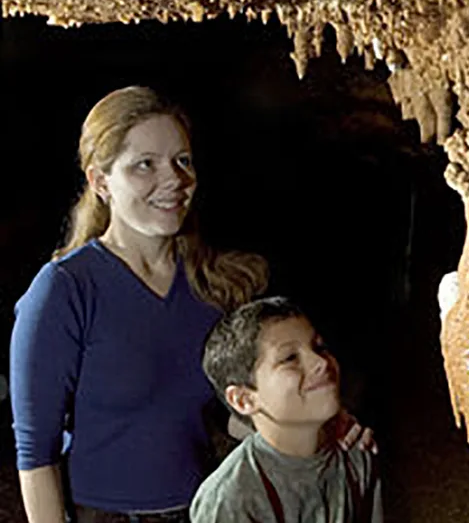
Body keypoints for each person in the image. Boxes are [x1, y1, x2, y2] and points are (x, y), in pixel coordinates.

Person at [9, 86, 372, 523]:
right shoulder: (64, 290)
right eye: (145, 165)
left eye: (182, 161)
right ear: (100, 181)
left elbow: (236, 414)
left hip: (206, 508)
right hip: (102, 515)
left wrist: (324, 430)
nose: (174, 180)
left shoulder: (215, 286)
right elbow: (35, 451)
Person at [192, 296, 382, 522]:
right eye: (290, 358)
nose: (321, 362)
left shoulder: (356, 455)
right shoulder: (230, 501)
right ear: (244, 399)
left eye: (320, 347)